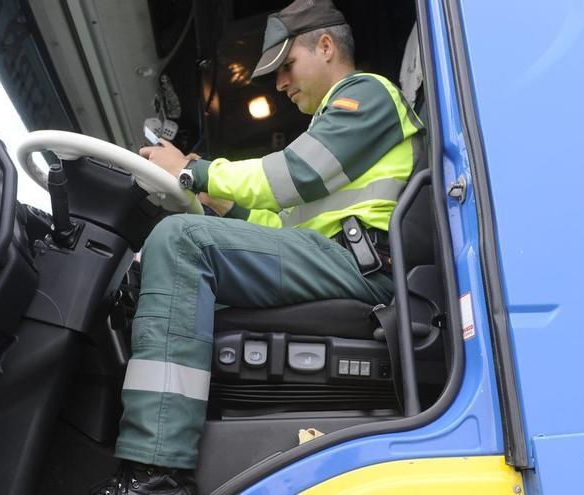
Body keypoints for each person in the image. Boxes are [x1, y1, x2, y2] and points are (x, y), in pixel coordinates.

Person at [91, 1, 424, 493]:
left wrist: (192, 170)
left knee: (180, 242)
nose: (281, 85)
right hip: (329, 255)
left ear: (326, 47)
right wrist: (215, 199)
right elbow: (280, 222)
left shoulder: (367, 94)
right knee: (183, 250)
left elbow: (294, 174)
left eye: (287, 67)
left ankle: (155, 472)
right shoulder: (331, 126)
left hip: (356, 263)